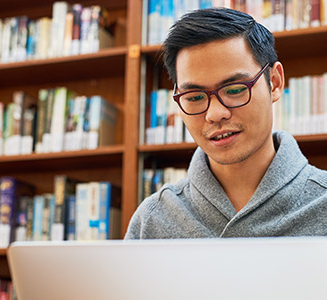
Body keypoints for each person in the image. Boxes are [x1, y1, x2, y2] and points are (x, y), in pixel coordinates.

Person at [125, 8, 327, 239]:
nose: (215, 114)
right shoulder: (153, 219)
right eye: (194, 97)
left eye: (234, 90)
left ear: (275, 82)